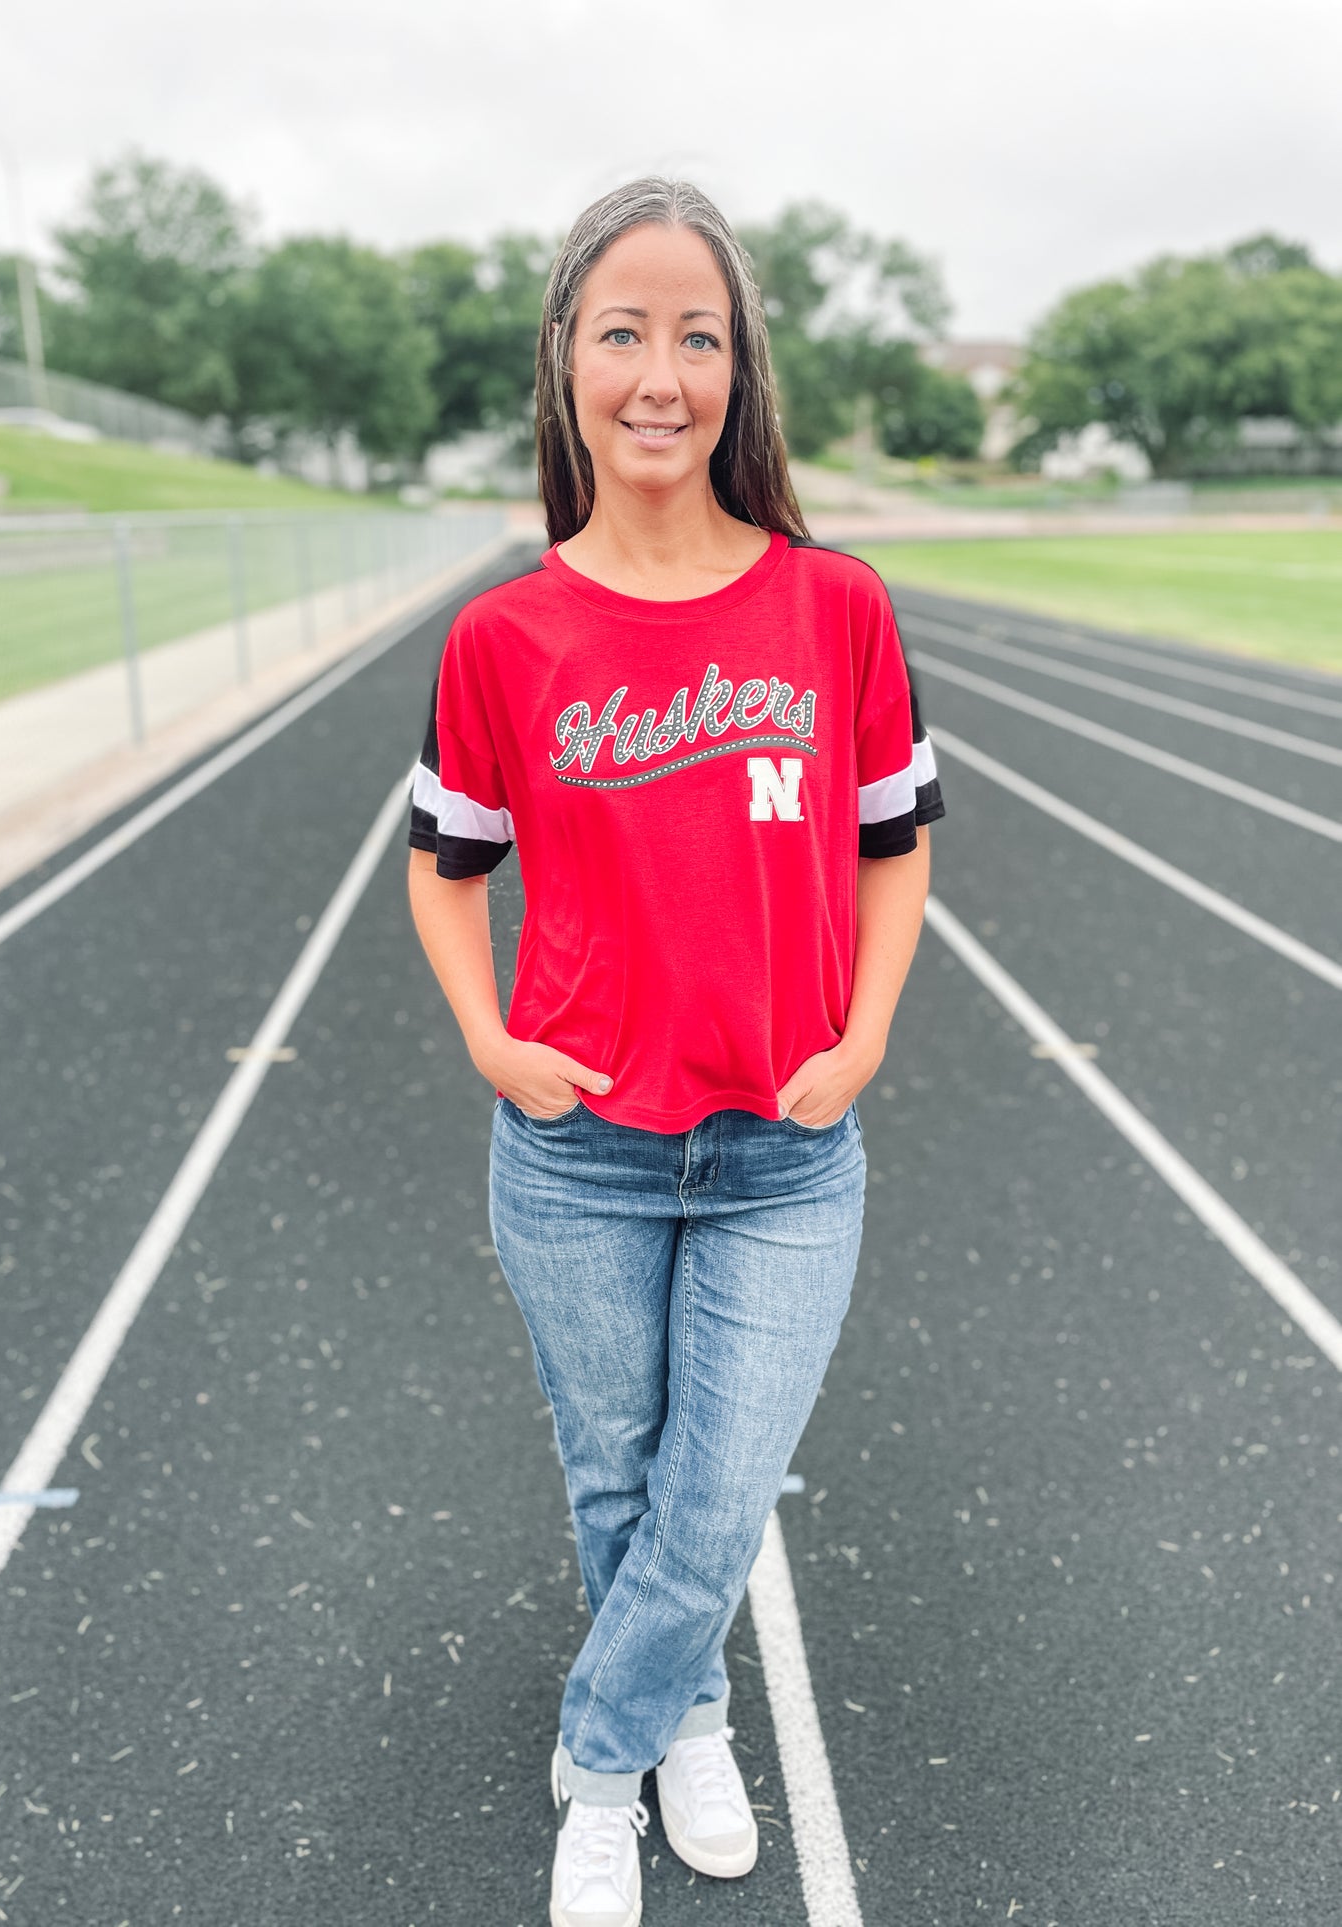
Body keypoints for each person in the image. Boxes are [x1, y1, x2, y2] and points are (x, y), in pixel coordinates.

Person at [407, 176, 943, 1927]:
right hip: (576, 1154)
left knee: (714, 1490)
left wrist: (863, 1036)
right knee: (623, 1480)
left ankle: (598, 1752)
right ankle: (685, 1721)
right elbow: (444, 865)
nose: (659, 371)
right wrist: (489, 1037)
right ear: (565, 359)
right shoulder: (501, 639)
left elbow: (894, 838)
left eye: (695, 335)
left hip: (786, 1151)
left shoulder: (831, 607)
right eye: (622, 331)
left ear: (740, 370)